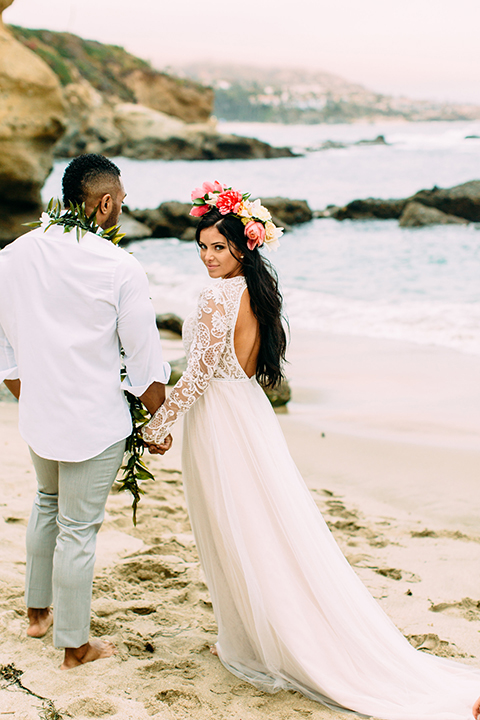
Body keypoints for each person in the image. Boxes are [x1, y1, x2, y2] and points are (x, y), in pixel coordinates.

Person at [141, 181, 480, 720]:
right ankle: (250, 638)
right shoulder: (258, 293)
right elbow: (238, 367)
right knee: (264, 525)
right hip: (247, 413)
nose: (208, 258)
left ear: (243, 247)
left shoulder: (214, 297)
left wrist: (158, 424)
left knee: (235, 527)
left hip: (221, 421)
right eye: (202, 247)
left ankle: (255, 644)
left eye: (218, 248)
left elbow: (201, 372)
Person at [0, 154, 171, 669]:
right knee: (78, 528)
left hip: (39, 415)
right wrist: (159, 419)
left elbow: (4, 348)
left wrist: (33, 396)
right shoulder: (119, 265)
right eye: (120, 200)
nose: (122, 208)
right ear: (103, 203)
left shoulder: (12, 255)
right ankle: (75, 647)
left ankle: (37, 615)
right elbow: (144, 361)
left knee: (46, 504)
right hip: (93, 423)